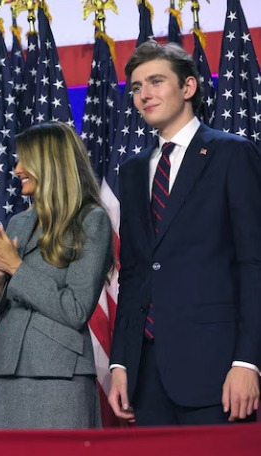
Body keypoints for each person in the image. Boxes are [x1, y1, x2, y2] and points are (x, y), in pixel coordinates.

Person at [108, 40, 261, 426]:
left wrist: (248, 361)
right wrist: (122, 361)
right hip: (148, 376)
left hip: (219, 370)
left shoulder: (231, 154)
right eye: (137, 88)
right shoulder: (131, 171)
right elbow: (134, 273)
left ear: (188, 87)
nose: (144, 95)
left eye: (156, 82)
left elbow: (253, 264)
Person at [0, 121, 113, 429]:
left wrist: (16, 268)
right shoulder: (19, 222)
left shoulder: (91, 221)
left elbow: (74, 310)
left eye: (23, 160)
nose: (17, 168)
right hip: (8, 372)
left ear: (50, 163)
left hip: (59, 375)